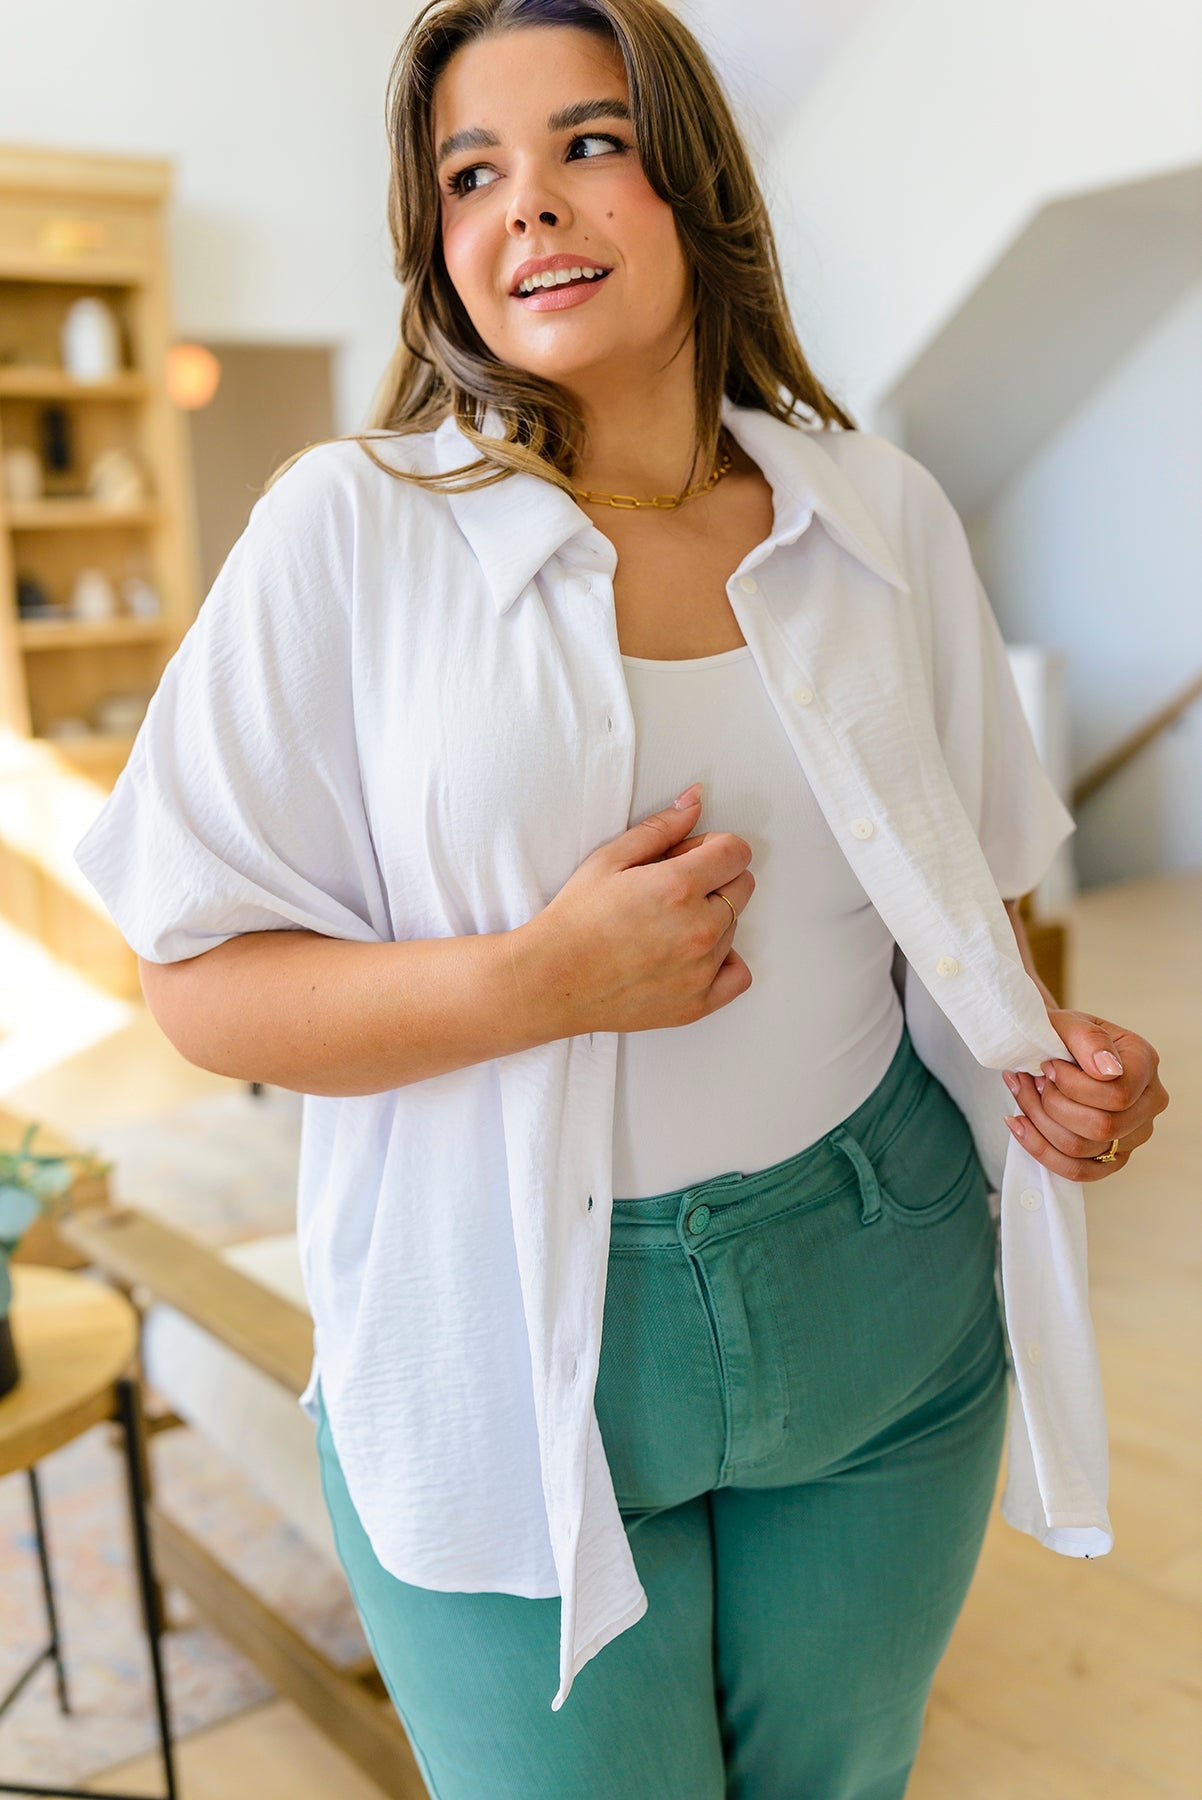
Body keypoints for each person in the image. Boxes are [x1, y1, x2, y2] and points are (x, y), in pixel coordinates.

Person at [74, 1, 1170, 1794]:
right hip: (493, 1336)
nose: (529, 208)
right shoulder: (344, 530)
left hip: (881, 1295)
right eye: (470, 173)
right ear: (433, 240)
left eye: (587, 144)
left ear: (692, 182)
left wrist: (1069, 1078)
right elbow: (192, 982)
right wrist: (541, 980)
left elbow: (959, 925)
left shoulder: (879, 512)